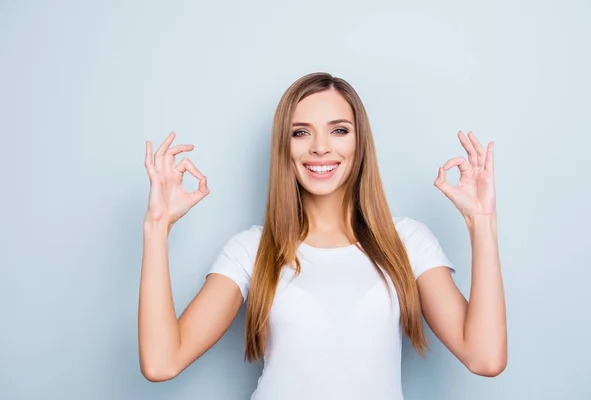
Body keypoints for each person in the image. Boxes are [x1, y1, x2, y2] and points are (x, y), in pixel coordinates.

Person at [138, 72, 507, 399]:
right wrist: (157, 226)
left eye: (339, 130)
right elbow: (162, 362)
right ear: (285, 145)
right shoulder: (251, 249)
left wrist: (482, 222)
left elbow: (485, 357)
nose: (320, 146)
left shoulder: (407, 242)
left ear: (360, 143)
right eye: (301, 132)